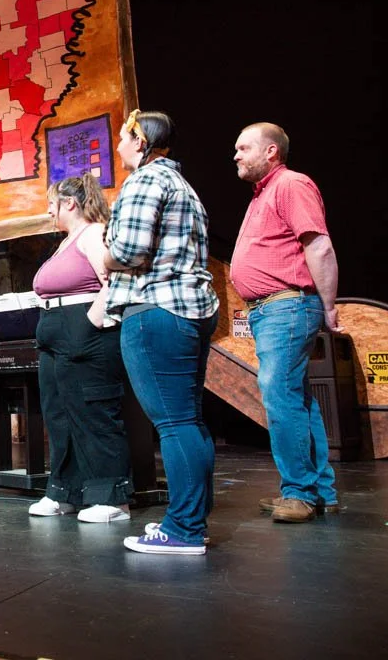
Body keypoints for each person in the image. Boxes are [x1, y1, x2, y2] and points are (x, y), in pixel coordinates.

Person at [104, 110, 220, 556]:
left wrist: (102, 255)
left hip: (157, 311)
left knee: (173, 424)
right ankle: (193, 520)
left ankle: (185, 528)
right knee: (187, 421)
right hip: (189, 310)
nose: (118, 147)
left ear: (140, 141)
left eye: (122, 139)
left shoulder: (145, 181)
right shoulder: (184, 188)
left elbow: (128, 252)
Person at [230, 122, 341, 524]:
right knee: (297, 399)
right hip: (271, 310)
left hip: (288, 307)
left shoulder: (291, 184)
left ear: (272, 151)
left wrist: (328, 306)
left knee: (278, 393)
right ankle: (319, 491)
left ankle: (299, 493)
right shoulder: (264, 194)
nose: (236, 155)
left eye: (244, 148)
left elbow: (319, 245)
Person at [29, 174, 134, 523]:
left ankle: (112, 498)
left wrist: (90, 321)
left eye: (51, 204)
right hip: (54, 336)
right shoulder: (66, 241)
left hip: (84, 331)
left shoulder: (92, 233)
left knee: (93, 412)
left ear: (69, 203)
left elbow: (116, 278)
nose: (48, 211)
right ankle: (66, 492)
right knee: (59, 415)